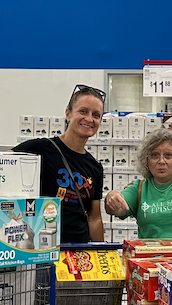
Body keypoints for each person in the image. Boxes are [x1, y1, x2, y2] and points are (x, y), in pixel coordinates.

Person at [15, 85, 105, 243]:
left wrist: (102, 251)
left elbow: (94, 219)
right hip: (43, 248)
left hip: (78, 250)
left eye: (96, 115)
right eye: (83, 111)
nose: (89, 119)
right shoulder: (40, 149)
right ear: (68, 114)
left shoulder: (95, 167)